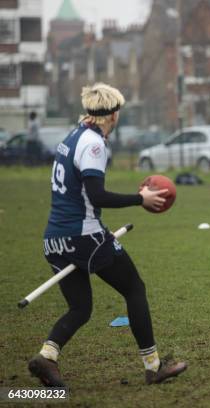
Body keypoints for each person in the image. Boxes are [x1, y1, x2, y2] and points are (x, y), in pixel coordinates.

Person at [28, 83, 187, 387]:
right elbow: (97, 195)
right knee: (135, 289)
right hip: (84, 236)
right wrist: (141, 198)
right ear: (114, 115)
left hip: (54, 239)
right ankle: (153, 366)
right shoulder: (94, 144)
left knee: (80, 308)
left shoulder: (74, 135)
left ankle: (46, 357)